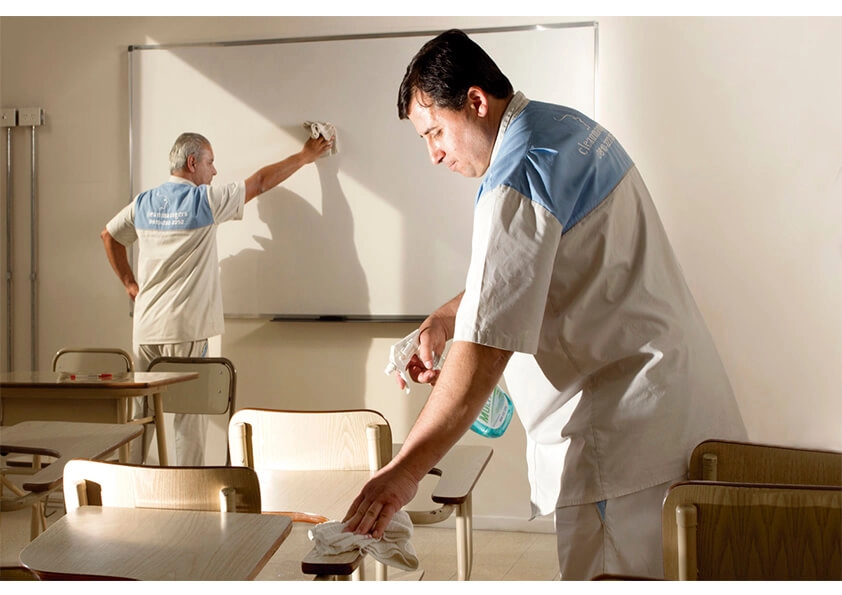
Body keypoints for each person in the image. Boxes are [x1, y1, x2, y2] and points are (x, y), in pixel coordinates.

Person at [342, 29, 747, 580]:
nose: (433, 154)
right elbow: (535, 271)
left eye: (435, 131)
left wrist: (404, 471)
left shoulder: (517, 177)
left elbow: (484, 352)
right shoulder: (567, 131)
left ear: (476, 101)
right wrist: (445, 317)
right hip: (673, 410)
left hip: (621, 443)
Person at [101, 131, 332, 466]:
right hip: (186, 329)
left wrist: (129, 284)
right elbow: (260, 183)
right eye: (210, 162)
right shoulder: (204, 201)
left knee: (141, 415)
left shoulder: (144, 202)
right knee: (188, 419)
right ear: (192, 162)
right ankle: (189, 491)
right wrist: (305, 156)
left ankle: (131, 485)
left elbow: (108, 235)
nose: (214, 171)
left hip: (147, 327)